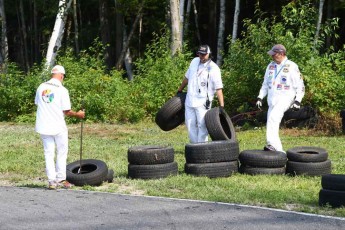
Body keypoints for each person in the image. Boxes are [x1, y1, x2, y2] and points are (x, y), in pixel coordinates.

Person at [35, 65, 85, 190]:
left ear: (53, 74)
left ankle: (52, 182)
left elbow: (38, 103)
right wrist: (78, 114)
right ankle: (61, 179)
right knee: (62, 152)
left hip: (43, 125)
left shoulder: (41, 87)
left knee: (48, 153)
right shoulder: (62, 90)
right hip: (57, 126)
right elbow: (67, 111)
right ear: (61, 75)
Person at [256, 44, 305, 152]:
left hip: (286, 98)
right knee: (270, 120)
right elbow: (265, 84)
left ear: (281, 53)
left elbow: (300, 86)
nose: (272, 56)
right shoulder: (270, 66)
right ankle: (275, 148)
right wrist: (260, 97)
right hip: (272, 99)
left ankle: (274, 146)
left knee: (273, 118)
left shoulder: (292, 66)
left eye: (274, 54)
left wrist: (298, 101)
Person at [177, 45, 224, 143]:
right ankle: (195, 146)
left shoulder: (214, 68)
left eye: (204, 54)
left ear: (209, 54)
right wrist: (180, 90)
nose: (201, 56)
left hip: (203, 102)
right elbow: (187, 77)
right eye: (200, 54)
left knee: (202, 125)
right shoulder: (194, 61)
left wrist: (221, 105)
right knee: (190, 125)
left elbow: (218, 88)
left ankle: (202, 147)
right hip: (190, 100)